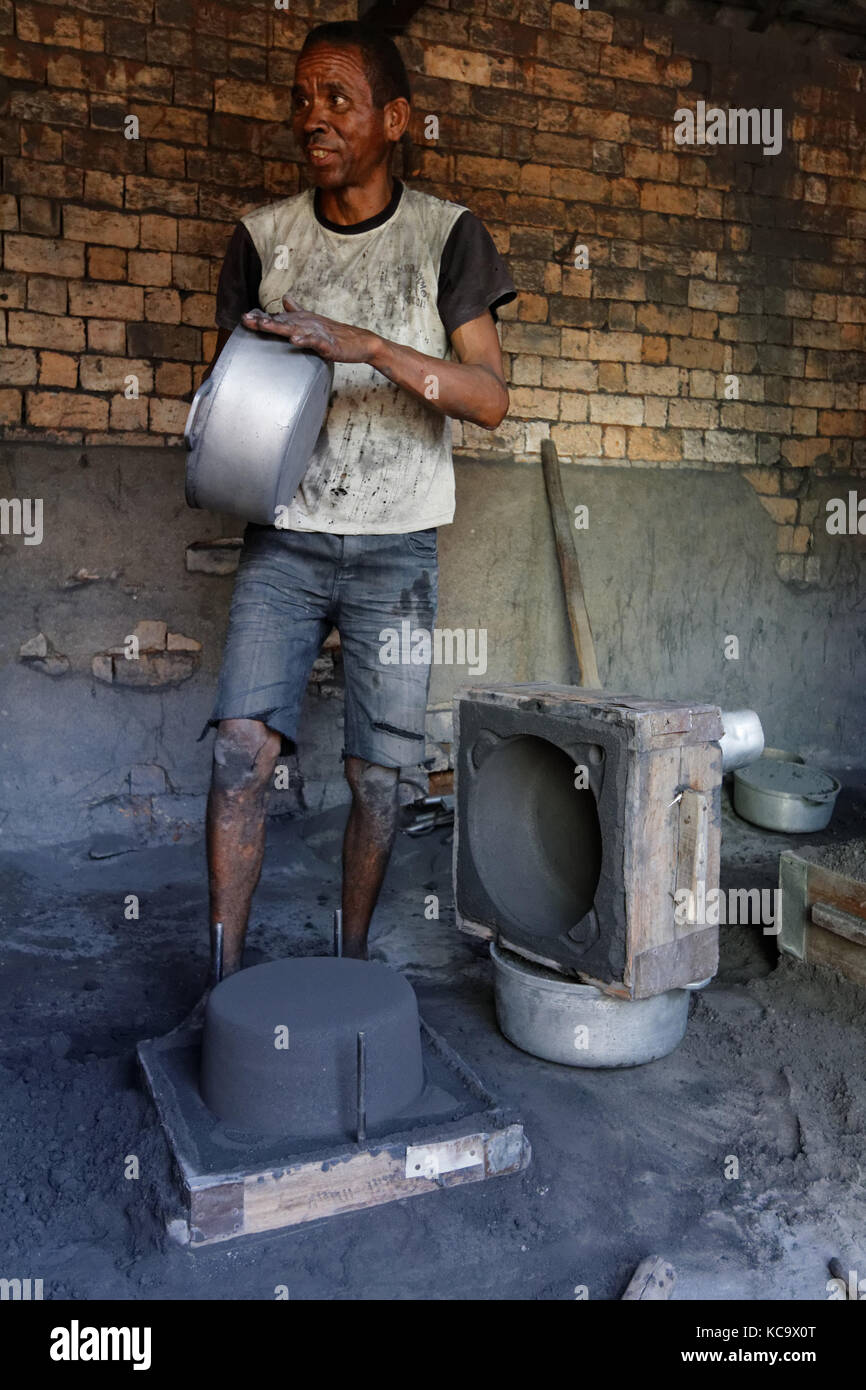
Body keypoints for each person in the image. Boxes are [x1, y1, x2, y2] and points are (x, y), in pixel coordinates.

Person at [200, 20, 516, 979]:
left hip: (396, 548)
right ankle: (221, 986)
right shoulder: (262, 240)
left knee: (382, 781)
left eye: (337, 100)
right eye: (301, 99)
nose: (313, 119)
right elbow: (223, 401)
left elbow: (491, 398)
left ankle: (347, 967)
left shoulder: (447, 235)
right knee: (238, 755)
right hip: (286, 544)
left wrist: (367, 345)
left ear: (395, 119)